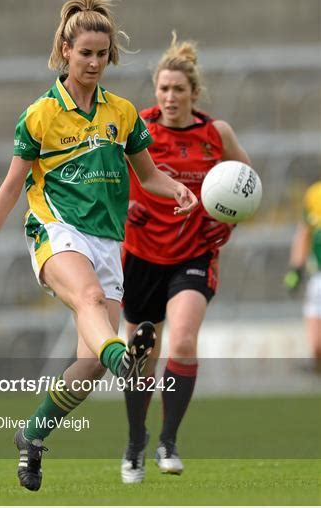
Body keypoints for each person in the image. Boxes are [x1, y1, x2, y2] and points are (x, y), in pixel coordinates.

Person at [0, 0, 198, 491]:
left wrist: (177, 188)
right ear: (66, 50)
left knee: (86, 366)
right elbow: (9, 187)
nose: (93, 62)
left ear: (110, 56)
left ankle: (32, 436)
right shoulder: (40, 115)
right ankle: (125, 361)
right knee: (88, 301)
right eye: (85, 52)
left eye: (101, 55)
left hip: (106, 242)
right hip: (55, 231)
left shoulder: (124, 113)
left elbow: (148, 177)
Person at [120, 32, 252, 484]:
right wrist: (124, 208)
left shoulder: (216, 134)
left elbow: (246, 183)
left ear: (194, 93)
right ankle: (136, 440)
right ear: (155, 90)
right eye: (163, 88)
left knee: (183, 342)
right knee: (142, 354)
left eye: (179, 89)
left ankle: (167, 441)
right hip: (141, 254)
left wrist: (228, 222)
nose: (170, 96)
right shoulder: (136, 126)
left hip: (194, 252)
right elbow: (103, 180)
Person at [284, 180, 321, 370]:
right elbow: (304, 233)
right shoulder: (315, 193)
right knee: (317, 348)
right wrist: (296, 269)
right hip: (318, 278)